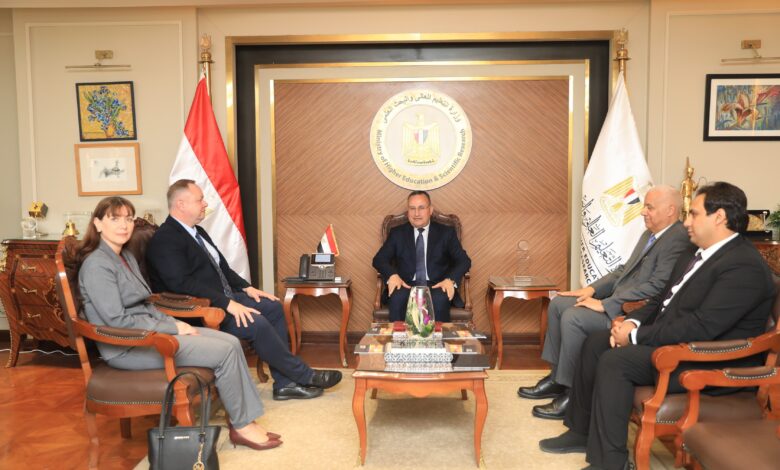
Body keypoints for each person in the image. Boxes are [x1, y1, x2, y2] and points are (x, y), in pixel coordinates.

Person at [539, 182, 776, 470]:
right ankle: (581, 432)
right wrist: (630, 322)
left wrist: (636, 336)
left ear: (720, 217)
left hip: (708, 360)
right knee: (596, 343)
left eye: (694, 214)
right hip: (678, 344)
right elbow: (660, 301)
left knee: (616, 361)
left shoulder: (743, 265)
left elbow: (702, 327)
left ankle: (611, 463)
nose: (686, 222)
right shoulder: (696, 253)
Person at [77, 196, 281, 451]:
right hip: (128, 346)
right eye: (114, 219)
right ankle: (242, 426)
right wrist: (173, 328)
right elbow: (116, 320)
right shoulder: (97, 265)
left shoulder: (124, 256)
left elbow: (147, 304)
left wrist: (173, 322)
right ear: (97, 224)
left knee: (230, 342)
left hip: (150, 332)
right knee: (225, 351)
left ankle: (243, 418)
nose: (123, 225)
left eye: (128, 219)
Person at [146, 179, 342, 401]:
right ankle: (305, 375)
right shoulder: (165, 239)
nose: (205, 203)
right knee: (256, 323)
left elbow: (222, 269)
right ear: (181, 204)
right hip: (201, 311)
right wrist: (227, 303)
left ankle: (284, 384)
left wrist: (247, 288)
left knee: (273, 306)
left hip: (223, 299)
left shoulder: (197, 231)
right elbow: (180, 284)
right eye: (200, 200)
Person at [519, 185, 690, 419]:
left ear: (670, 210)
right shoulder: (650, 234)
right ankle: (557, 377)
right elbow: (624, 271)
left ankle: (573, 393)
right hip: (616, 300)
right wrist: (590, 289)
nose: (643, 212)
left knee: (574, 317)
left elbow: (658, 287)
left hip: (632, 312)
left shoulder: (677, 239)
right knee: (559, 304)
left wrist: (606, 304)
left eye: (649, 207)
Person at [372, 190, 472, 322]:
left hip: (437, 285)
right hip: (405, 285)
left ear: (430, 210)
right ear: (408, 211)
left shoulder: (446, 233)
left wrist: (450, 280)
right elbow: (379, 259)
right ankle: (398, 335)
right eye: (412, 208)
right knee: (397, 297)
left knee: (439, 299)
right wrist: (392, 275)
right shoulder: (397, 233)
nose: (416, 213)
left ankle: (439, 336)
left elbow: (464, 261)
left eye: (421, 208)